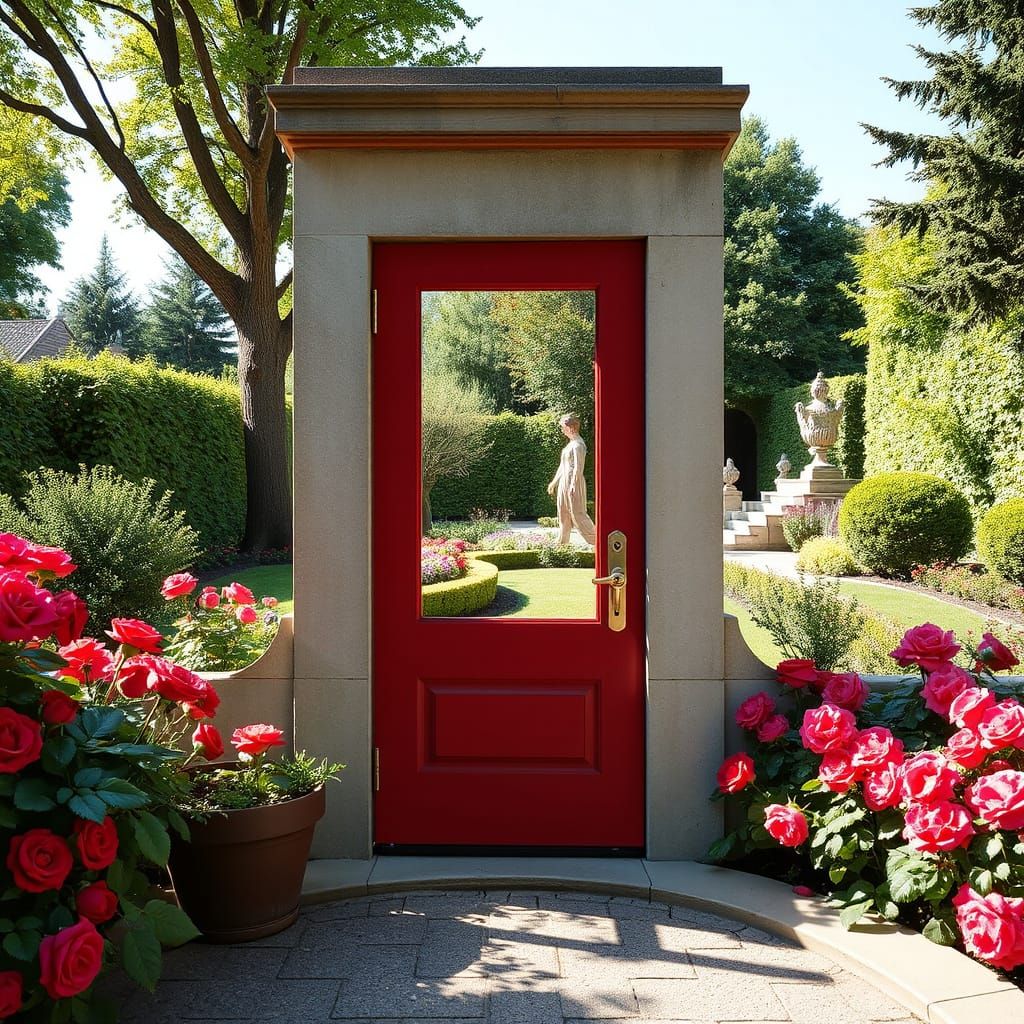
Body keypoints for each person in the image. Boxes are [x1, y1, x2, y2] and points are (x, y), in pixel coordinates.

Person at [547, 413, 597, 548]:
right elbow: (562, 466)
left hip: (573, 482)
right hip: (565, 481)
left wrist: (573, 485)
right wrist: (554, 482)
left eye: (563, 427)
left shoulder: (578, 445)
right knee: (563, 512)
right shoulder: (570, 444)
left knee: (578, 513)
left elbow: (578, 468)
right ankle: (562, 543)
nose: (562, 430)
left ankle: (597, 541)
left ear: (570, 428)